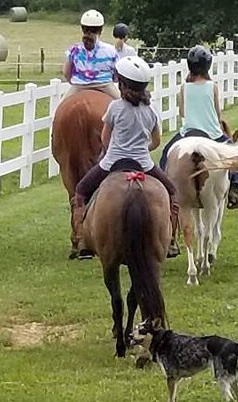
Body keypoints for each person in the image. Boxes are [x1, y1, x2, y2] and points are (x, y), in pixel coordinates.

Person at [72, 55, 180, 259]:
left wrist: (118, 148)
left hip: (112, 161)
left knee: (80, 191)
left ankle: (82, 239)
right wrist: (141, 149)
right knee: (172, 193)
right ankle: (171, 240)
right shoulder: (151, 110)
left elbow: (105, 138)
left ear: (121, 84)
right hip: (143, 163)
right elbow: (156, 141)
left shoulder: (115, 107)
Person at [158, 45, 238, 209]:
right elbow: (218, 114)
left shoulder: (184, 87)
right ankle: (235, 189)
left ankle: (164, 187)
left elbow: (182, 113)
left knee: (165, 155)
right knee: (234, 153)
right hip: (212, 133)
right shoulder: (213, 86)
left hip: (188, 133)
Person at [63, 10, 120, 99]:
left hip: (79, 86)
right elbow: (116, 74)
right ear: (100, 30)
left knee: (58, 109)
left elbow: (66, 72)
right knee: (124, 107)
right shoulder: (111, 50)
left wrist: (75, 81)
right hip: (105, 85)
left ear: (82, 28)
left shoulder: (73, 50)